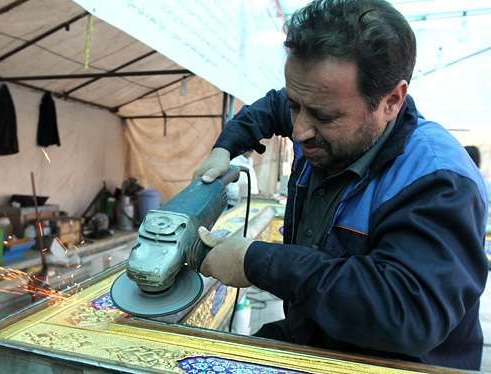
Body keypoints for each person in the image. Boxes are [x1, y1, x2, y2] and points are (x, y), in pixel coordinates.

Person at [194, 0, 488, 370]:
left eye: (324, 116)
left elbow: (405, 312)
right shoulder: (318, 112)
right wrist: (227, 145)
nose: (299, 131)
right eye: (295, 105)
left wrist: (258, 261)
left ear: (391, 101)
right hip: (318, 339)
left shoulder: (438, 181)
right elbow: (271, 108)